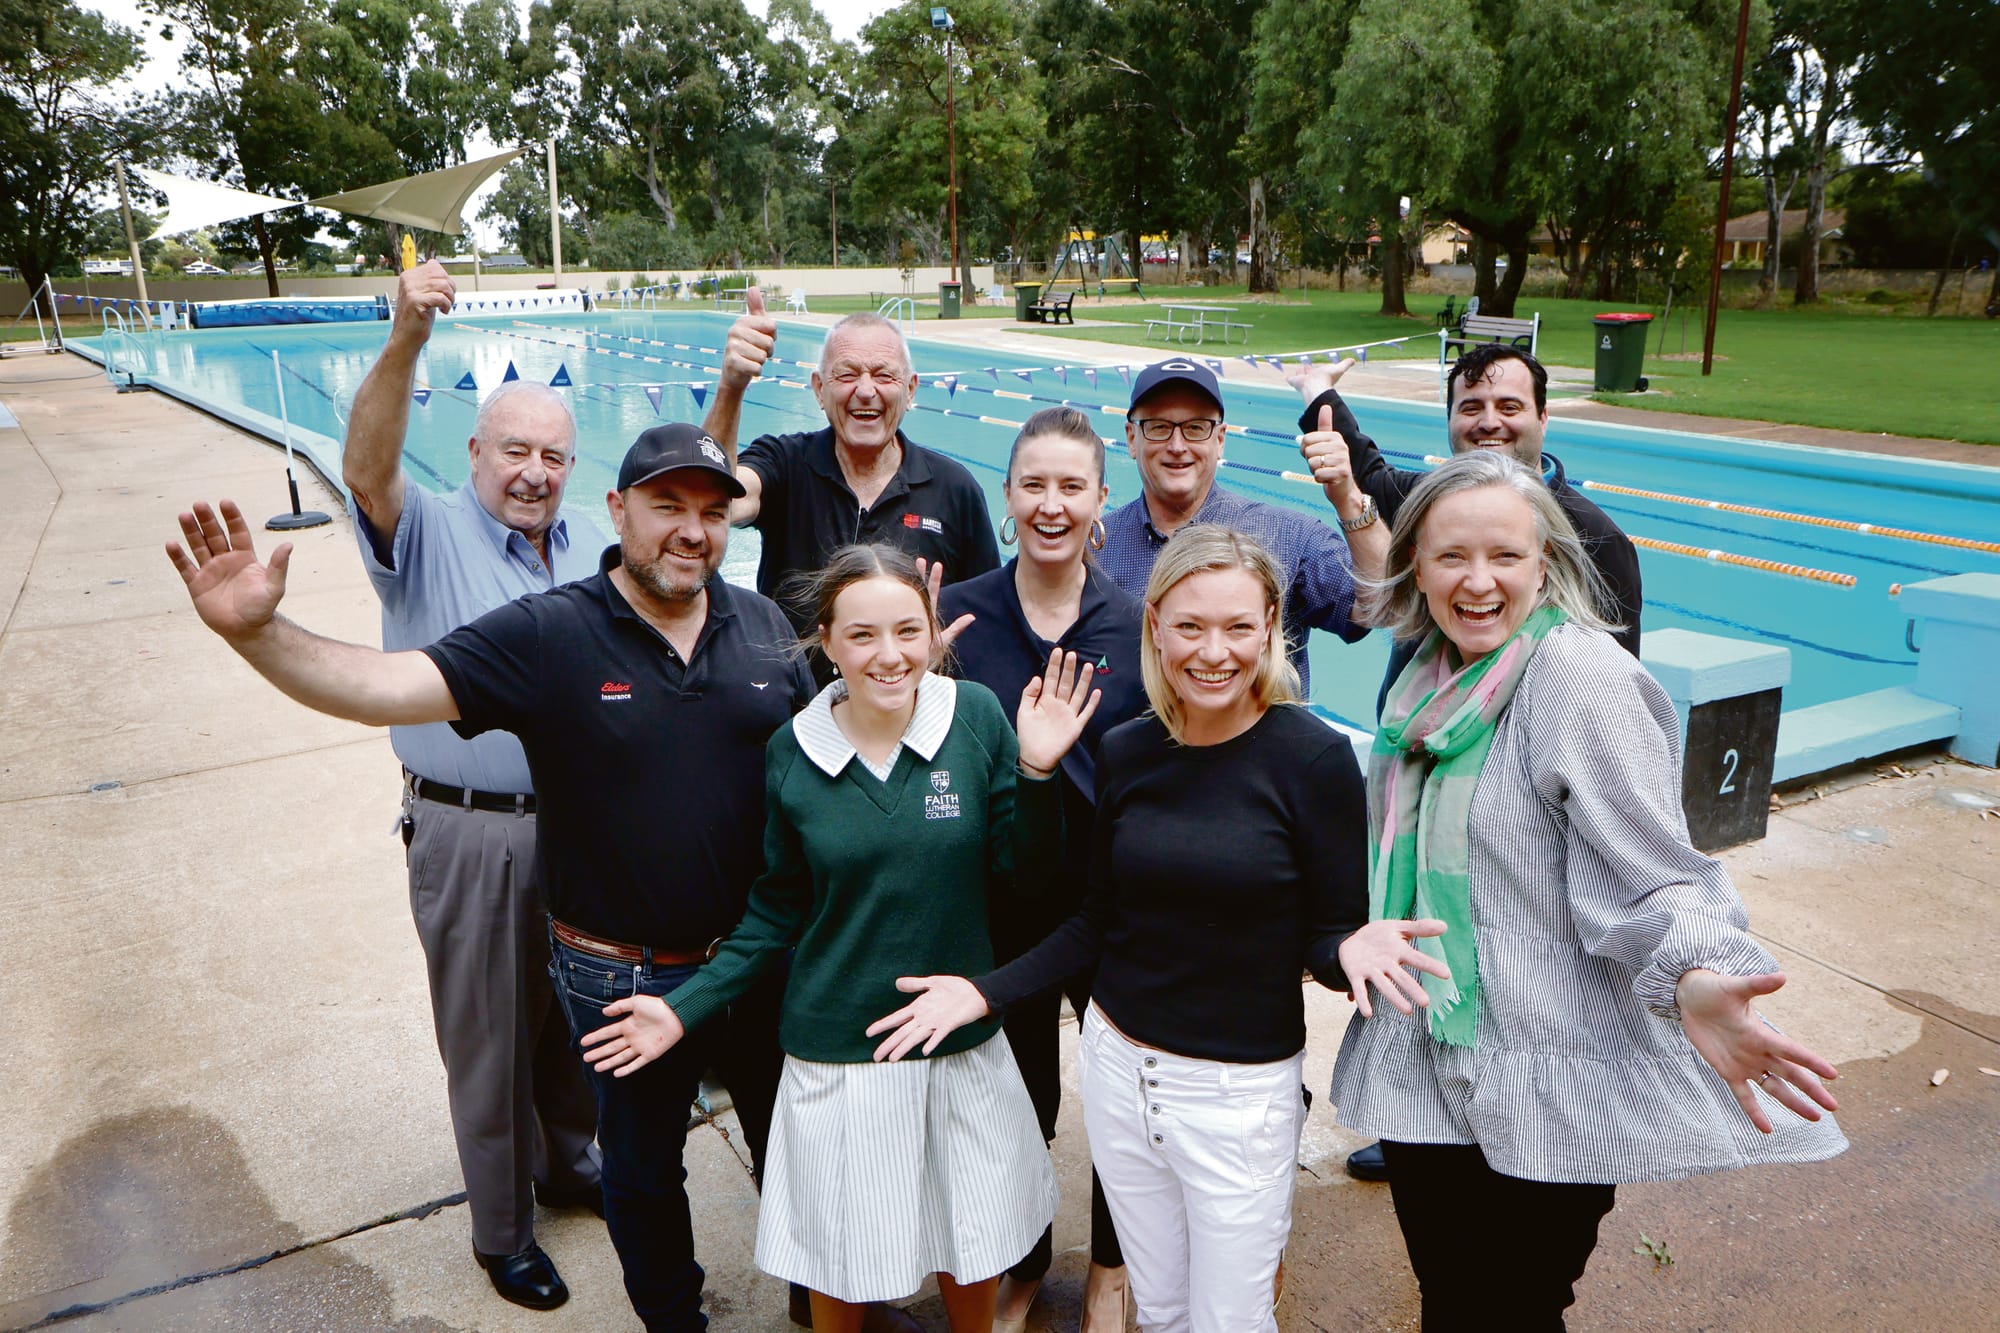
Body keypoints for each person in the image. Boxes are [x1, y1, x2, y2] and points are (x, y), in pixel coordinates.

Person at [166, 423, 810, 1332]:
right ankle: (676, 1320)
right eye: (667, 506)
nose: (692, 531)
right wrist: (259, 635)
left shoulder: (766, 624)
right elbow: (386, 684)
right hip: (625, 974)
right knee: (642, 1170)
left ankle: (823, 1304)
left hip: (757, 956)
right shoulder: (552, 632)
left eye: (711, 511)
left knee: (801, 1137)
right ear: (617, 511)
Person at [1331, 451, 1845, 1328]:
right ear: (1416, 562)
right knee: (1455, 1302)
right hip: (1429, 1059)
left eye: (1506, 556)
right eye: (1452, 555)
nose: (1479, 580)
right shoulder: (1426, 676)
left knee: (1515, 1306)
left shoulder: (1580, 679)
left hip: (1548, 1072)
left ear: (1547, 564)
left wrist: (1696, 974)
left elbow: (1656, 871)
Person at [870, 525, 1401, 1333]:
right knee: (1157, 1310)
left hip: (1237, 1096)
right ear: (1155, 624)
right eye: (1190, 625)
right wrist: (983, 994)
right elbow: (1095, 922)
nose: (1213, 651)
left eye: (1236, 626)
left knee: (1228, 1319)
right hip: (1120, 1073)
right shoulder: (1127, 749)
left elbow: (1327, 937)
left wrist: (1348, 946)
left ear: (1270, 626)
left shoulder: (1314, 757)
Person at [576, 545, 1101, 1333]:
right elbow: (775, 911)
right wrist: (683, 1010)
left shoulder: (978, 717)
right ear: (825, 640)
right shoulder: (794, 749)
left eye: (906, 631)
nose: (888, 656)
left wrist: (1036, 772)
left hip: (957, 1038)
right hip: (837, 1049)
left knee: (972, 1237)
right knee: (841, 1256)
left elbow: (1023, 880)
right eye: (861, 635)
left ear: (932, 634)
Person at [1294, 342, 1644, 1185]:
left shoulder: (1591, 539)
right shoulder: (1430, 507)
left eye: (1509, 406)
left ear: (1543, 419)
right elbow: (1363, 471)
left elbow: (1611, 719)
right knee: (1416, 931)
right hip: (1420, 770)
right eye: (1471, 408)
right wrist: (1316, 396)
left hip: (1513, 800)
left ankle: (1501, 1117)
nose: (1489, 422)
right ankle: (1425, 1100)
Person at [338, 257, 600, 1309]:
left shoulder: (589, 547)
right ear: (476, 453)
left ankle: (570, 1166)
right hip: (470, 830)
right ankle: (502, 1232)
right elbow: (366, 463)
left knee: (571, 1022)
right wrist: (406, 336)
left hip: (578, 824)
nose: (533, 471)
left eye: (552, 454)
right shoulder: (428, 531)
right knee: (487, 1035)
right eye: (515, 451)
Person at [935, 407, 1147, 1332]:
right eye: (1035, 485)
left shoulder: (1137, 625)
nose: (1052, 504)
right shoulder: (955, 614)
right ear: (1007, 495)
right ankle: (1022, 1260)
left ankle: (1109, 1260)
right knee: (1013, 1096)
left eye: (1073, 486)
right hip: (1004, 895)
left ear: (1103, 500)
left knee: (1121, 1095)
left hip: (1117, 903)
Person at [703, 298, 1001, 632]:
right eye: (846, 374)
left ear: (910, 390)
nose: (865, 390)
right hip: (797, 685)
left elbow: (988, 611)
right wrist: (732, 386)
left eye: (884, 375)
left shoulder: (954, 489)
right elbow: (713, 500)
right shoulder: (786, 464)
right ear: (819, 389)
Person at [1098, 358, 1380, 694]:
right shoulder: (1095, 548)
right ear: (1132, 439)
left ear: (1220, 439)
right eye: (1158, 427)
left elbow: (1375, 608)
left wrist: (1348, 497)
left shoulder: (1287, 538)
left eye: (1196, 427)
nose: (1177, 446)